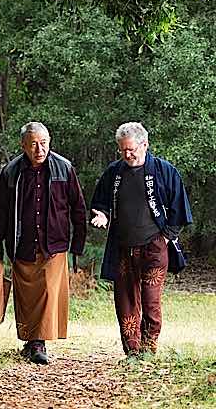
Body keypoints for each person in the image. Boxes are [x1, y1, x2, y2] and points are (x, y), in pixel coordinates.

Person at [90, 122, 192, 356]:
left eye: (131, 149)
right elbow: (100, 204)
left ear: (144, 145)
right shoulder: (114, 172)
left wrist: (166, 238)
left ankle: (149, 349)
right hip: (123, 247)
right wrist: (102, 215)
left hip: (154, 247)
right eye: (122, 150)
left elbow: (179, 209)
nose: (127, 154)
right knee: (125, 301)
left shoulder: (165, 171)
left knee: (151, 300)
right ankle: (132, 352)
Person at [0, 121, 87, 365]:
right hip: (21, 245)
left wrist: (77, 245)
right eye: (33, 144)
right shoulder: (11, 172)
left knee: (47, 294)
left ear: (49, 142)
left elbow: (78, 208)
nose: (39, 149)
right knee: (26, 297)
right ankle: (31, 341)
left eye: (43, 143)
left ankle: (38, 343)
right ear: (23, 146)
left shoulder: (64, 169)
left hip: (54, 245)